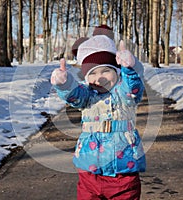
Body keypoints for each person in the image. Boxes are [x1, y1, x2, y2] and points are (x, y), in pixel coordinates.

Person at [51, 34, 146, 200]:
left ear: (117, 71)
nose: (99, 77)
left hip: (122, 171)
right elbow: (74, 94)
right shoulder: (87, 96)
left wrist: (130, 69)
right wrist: (64, 84)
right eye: (93, 74)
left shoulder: (124, 95)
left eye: (106, 71)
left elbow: (133, 88)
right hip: (90, 171)